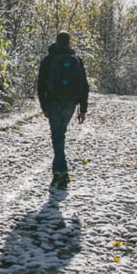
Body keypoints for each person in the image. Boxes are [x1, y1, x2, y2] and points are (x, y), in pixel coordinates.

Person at [36, 31, 88, 188]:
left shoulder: (48, 60)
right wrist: (83, 109)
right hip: (70, 103)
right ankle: (58, 173)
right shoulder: (76, 60)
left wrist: (44, 106)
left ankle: (62, 171)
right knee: (60, 135)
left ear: (56, 42)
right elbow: (84, 86)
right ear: (69, 43)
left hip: (53, 102)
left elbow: (40, 85)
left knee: (57, 136)